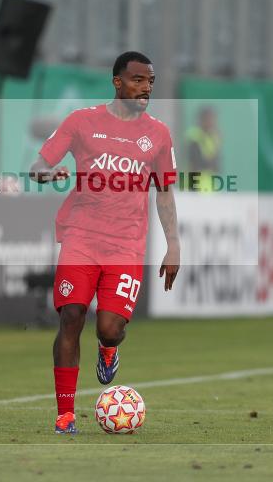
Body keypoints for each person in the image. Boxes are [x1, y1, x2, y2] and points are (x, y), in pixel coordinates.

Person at [29, 51, 180, 435]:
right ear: (117, 82)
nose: (145, 88)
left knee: (109, 327)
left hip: (126, 245)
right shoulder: (81, 121)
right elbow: (38, 166)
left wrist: (174, 245)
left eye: (150, 82)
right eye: (137, 80)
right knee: (71, 315)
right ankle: (65, 415)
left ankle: (108, 349)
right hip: (81, 236)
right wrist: (47, 175)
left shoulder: (159, 134)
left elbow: (164, 192)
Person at [186, 106, 221, 191]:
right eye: (208, 119)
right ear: (201, 119)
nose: (211, 122)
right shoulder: (194, 136)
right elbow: (195, 162)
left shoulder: (213, 137)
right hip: (194, 184)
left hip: (208, 185)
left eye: (212, 119)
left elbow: (216, 164)